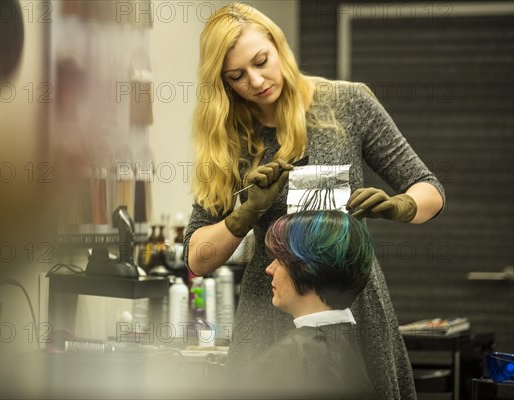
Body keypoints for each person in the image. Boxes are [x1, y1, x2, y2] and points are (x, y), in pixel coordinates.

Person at [183, 3, 445, 399]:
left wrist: (402, 206)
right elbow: (197, 258)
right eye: (237, 76)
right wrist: (245, 214)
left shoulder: (349, 103)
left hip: (353, 304)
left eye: (261, 61)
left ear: (278, 44)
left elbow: (429, 187)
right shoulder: (227, 140)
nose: (255, 81)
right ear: (222, 82)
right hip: (270, 305)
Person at [241, 210, 377, 399]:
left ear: (307, 268)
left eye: (280, 260)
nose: (269, 269)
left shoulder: (293, 354)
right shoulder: (348, 342)